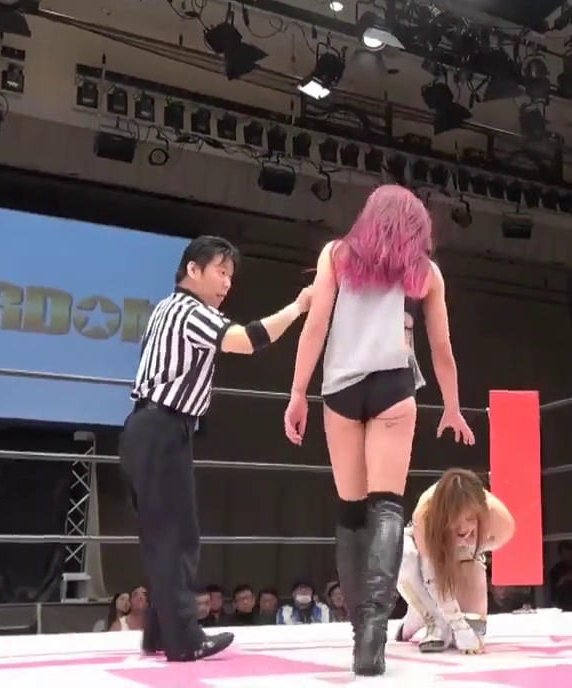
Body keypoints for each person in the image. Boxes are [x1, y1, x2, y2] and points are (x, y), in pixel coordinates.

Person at [285, 184, 475, 677]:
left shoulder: (337, 255)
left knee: (352, 514)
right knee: (387, 506)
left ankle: (359, 634)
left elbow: (315, 326)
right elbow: (442, 348)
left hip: (340, 389)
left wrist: (297, 393)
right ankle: (374, 634)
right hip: (394, 386)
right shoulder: (425, 272)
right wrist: (452, 407)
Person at [123, 235, 312, 662]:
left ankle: (160, 634)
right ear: (193, 269)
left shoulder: (166, 308)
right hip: (161, 428)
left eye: (231, 275)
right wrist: (299, 307)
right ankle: (184, 640)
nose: (227, 283)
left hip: (149, 428)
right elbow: (246, 340)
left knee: (164, 536)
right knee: (176, 538)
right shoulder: (190, 310)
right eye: (220, 272)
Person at [395, 468, 515, 654]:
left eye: (470, 518)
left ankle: (428, 612)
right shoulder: (426, 512)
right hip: (431, 547)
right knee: (401, 554)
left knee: (474, 630)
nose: (463, 526)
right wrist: (458, 625)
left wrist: (469, 547)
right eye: (456, 520)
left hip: (469, 553)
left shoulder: (499, 518)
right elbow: (431, 575)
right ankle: (432, 617)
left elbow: (492, 543)